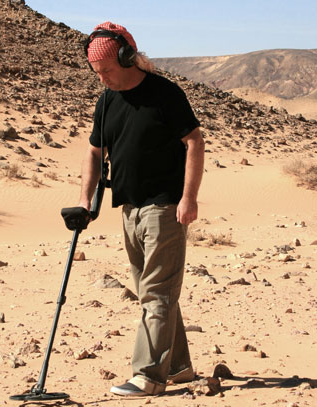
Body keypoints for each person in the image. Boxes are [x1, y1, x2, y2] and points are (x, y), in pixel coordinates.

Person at [79, 21, 205, 397]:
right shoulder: (106, 101)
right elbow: (94, 151)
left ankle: (149, 375)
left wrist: (189, 197)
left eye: (107, 70)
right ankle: (179, 367)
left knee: (156, 291)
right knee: (153, 289)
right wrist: (85, 200)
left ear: (127, 57)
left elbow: (194, 143)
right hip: (129, 208)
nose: (103, 79)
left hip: (165, 206)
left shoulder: (164, 94)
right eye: (97, 73)